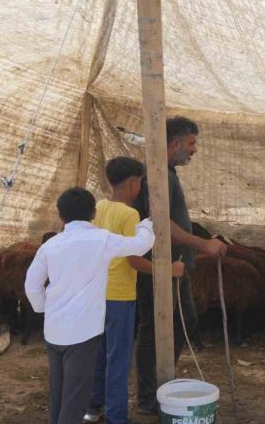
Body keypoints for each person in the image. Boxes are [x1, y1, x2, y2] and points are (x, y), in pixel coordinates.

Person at [25, 187, 158, 424]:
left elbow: (32, 285)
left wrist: (45, 309)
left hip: (54, 330)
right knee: (76, 395)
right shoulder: (101, 239)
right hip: (83, 333)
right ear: (93, 213)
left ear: (61, 216)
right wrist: (148, 224)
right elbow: (140, 245)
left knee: (60, 390)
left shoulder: (50, 245)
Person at [133, 116, 227, 415]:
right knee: (154, 329)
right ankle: (150, 398)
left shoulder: (168, 174)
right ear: (174, 144)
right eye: (191, 143)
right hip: (160, 266)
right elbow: (161, 224)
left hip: (176, 265)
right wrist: (203, 244)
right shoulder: (156, 176)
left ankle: (163, 388)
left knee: (182, 320)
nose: (194, 150)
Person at [83, 158, 184, 424]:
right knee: (119, 358)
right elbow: (132, 258)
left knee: (100, 353)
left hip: (97, 294)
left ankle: (93, 407)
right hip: (119, 297)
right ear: (133, 183)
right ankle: (117, 417)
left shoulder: (98, 208)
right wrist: (166, 270)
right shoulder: (129, 215)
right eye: (140, 182)